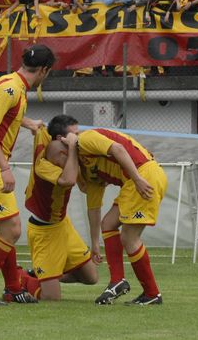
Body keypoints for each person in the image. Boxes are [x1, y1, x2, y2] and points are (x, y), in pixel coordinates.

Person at [0, 44, 55, 306]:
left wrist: (27, 123)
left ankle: (13, 288)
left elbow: (1, 117)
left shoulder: (13, 85)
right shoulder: (11, 89)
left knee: (7, 228)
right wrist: (4, 167)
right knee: (12, 229)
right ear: (44, 70)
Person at [47, 115, 167, 306]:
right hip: (136, 179)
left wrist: (136, 179)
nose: (77, 136)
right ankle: (118, 281)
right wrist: (95, 244)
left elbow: (118, 149)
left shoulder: (85, 140)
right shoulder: (86, 169)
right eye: (74, 133)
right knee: (108, 224)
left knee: (129, 237)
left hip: (143, 176)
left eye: (76, 133)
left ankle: (151, 293)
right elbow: (93, 209)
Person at [20, 127, 98, 300]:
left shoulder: (69, 160)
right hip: (44, 233)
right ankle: (22, 279)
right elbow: (68, 180)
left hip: (63, 225)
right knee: (52, 299)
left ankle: (44, 275)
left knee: (91, 278)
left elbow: (84, 187)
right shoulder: (44, 166)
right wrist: (72, 148)